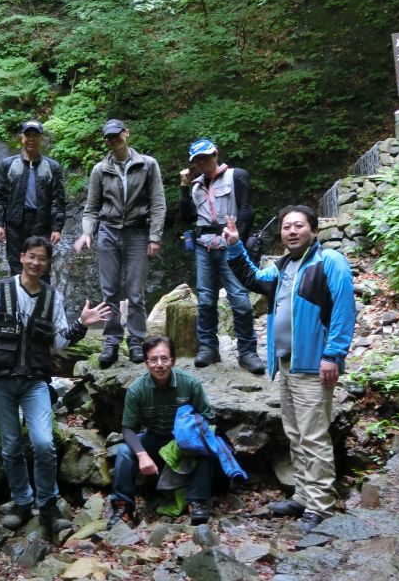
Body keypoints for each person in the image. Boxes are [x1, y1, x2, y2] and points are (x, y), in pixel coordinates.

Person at [224, 205, 355, 533]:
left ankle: (320, 505)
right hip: (287, 362)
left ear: (314, 230)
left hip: (314, 363)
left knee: (313, 436)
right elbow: (253, 279)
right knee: (296, 434)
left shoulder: (330, 262)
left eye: (299, 225)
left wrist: (333, 355)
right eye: (286, 227)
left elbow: (344, 310)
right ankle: (302, 496)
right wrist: (235, 246)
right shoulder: (283, 265)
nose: (292, 231)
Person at [0, 236, 110, 533]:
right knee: (11, 446)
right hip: (0, 382)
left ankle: (48, 505)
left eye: (42, 258)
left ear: (48, 263)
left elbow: (59, 342)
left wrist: (81, 324)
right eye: (32, 256)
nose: (36, 262)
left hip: (35, 381)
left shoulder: (52, 298)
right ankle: (22, 502)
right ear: (22, 257)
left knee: (43, 443)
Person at [74, 119, 166, 367]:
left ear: (126, 133)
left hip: (137, 232)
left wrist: (155, 236)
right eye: (108, 137)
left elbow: (158, 203)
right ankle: (111, 341)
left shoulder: (147, 165)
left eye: (116, 134)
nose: (113, 140)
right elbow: (91, 208)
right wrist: (87, 233)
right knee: (109, 292)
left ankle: (136, 341)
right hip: (108, 232)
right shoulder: (100, 169)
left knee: (136, 292)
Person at [108, 336, 217, 529]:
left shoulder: (190, 383)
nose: (159, 364)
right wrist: (142, 455)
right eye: (153, 359)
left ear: (173, 360)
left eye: (164, 358)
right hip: (154, 438)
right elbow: (128, 429)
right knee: (124, 451)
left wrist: (191, 432)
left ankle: (197, 501)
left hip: (183, 441)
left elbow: (208, 416)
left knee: (209, 446)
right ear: (146, 362)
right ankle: (123, 506)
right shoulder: (136, 390)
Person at [178, 138, 265, 374]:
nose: (202, 162)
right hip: (203, 247)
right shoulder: (195, 186)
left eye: (205, 157)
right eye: (197, 160)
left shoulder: (237, 176)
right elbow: (188, 216)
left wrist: (238, 242)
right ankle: (208, 348)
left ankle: (247, 353)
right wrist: (184, 187)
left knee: (240, 299)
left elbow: (246, 210)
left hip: (230, 247)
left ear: (215, 154)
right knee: (206, 300)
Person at [0, 120, 66, 280]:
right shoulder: (8, 165)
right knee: (16, 268)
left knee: (42, 268)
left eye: (35, 135)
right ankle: (18, 296)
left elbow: (58, 199)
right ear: (22, 138)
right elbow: (1, 196)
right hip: (15, 224)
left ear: (41, 139)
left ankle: (43, 297)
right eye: (28, 135)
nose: (31, 139)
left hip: (42, 223)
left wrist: (57, 227)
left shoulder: (52, 167)